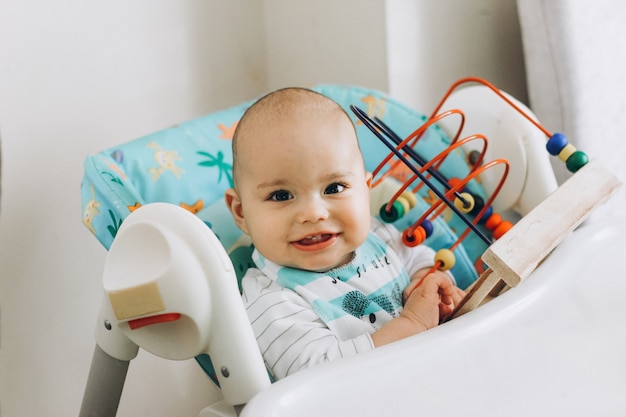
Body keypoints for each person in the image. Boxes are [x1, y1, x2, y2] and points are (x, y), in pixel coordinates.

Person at [224, 87, 465, 379]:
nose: (313, 213)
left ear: (366, 191)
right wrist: (413, 322)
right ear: (240, 213)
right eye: (281, 195)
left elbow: (420, 260)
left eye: (334, 188)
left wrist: (427, 286)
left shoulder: (379, 236)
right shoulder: (272, 301)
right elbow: (321, 378)